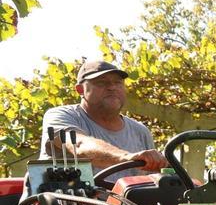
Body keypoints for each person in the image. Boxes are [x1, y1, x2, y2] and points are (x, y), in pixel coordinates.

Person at [39, 59, 167, 179]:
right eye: (101, 82)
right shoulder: (61, 116)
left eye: (118, 82)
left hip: (125, 203)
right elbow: (79, 146)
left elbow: (150, 180)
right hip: (60, 202)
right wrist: (127, 158)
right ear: (80, 90)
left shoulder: (140, 132)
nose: (112, 87)